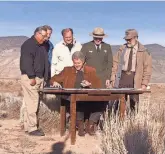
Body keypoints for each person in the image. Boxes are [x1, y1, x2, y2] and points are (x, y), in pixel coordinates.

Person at [50, 51, 102, 136]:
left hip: (88, 96)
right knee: (77, 101)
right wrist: (54, 82)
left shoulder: (91, 70)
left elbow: (98, 84)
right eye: (75, 63)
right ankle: (80, 125)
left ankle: (91, 124)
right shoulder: (67, 70)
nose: (77, 65)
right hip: (71, 96)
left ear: (83, 62)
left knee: (101, 102)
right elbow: (53, 78)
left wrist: (90, 84)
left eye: (79, 63)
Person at [110, 29, 152, 112]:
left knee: (134, 103)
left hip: (135, 78)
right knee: (118, 102)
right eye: (126, 39)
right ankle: (118, 120)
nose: (127, 41)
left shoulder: (144, 51)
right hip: (122, 77)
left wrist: (144, 83)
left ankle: (133, 122)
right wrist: (113, 78)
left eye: (129, 39)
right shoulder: (122, 49)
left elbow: (148, 68)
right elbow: (115, 64)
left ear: (136, 38)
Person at [20, 26, 49, 136]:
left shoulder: (41, 46)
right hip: (30, 78)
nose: (45, 38)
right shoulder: (29, 45)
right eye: (44, 36)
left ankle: (28, 127)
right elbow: (26, 62)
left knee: (30, 103)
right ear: (37, 34)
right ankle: (32, 129)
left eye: (46, 36)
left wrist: (44, 77)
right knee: (32, 102)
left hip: (38, 77)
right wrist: (32, 77)